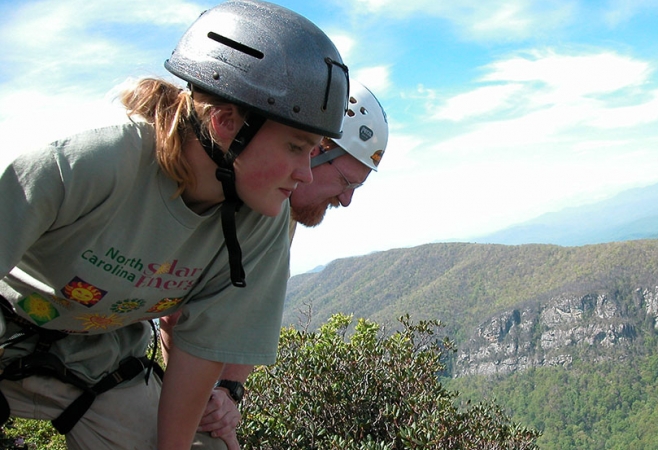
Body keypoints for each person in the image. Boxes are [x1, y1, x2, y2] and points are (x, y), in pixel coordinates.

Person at [0, 1, 348, 449]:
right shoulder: (85, 165)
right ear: (225, 124)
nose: (306, 173)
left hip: (96, 359)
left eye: (314, 151)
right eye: (296, 147)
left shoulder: (260, 221)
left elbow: (199, 356)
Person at [159, 82, 389, 448]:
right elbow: (177, 318)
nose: (345, 200)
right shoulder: (245, 204)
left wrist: (230, 392)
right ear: (313, 154)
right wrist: (206, 405)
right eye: (346, 182)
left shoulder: (283, 215)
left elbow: (249, 310)